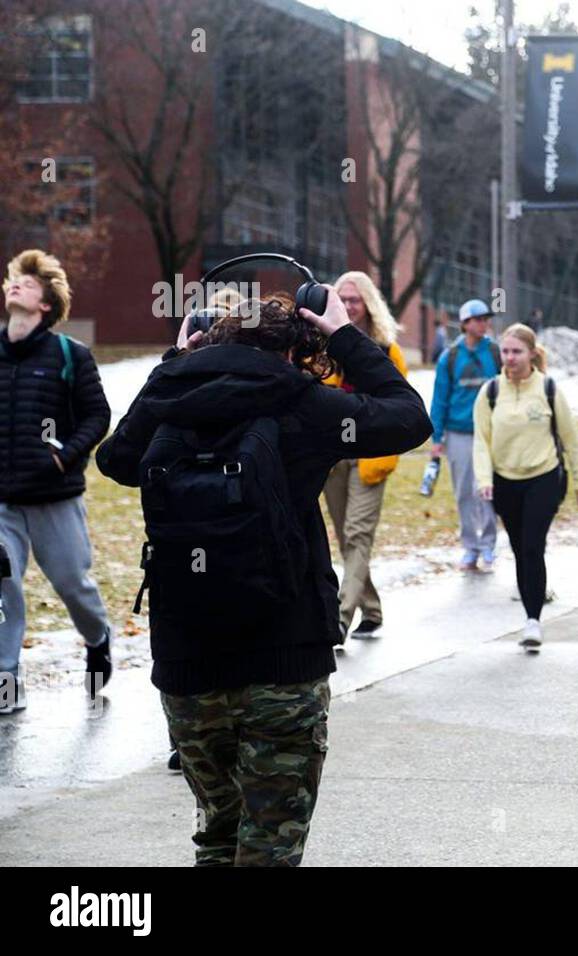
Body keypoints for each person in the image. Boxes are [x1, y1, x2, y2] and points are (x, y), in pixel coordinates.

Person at [96, 287, 430, 865]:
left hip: (187, 666)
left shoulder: (173, 393)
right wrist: (345, 335)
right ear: (299, 346)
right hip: (284, 662)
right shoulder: (305, 403)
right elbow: (408, 418)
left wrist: (176, 364)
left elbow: (116, 460)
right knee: (269, 847)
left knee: (218, 837)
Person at [0, 250, 112, 716]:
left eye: (26, 283)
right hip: (2, 501)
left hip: (54, 497)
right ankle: (6, 679)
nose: (14, 287)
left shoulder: (70, 355)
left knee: (71, 583)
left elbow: (97, 415)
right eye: (12, 281)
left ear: (46, 304)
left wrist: (66, 456)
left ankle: (98, 637)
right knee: (4, 588)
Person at [473, 323, 578, 652]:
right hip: (505, 481)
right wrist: (484, 479)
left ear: (532, 354)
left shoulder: (549, 389)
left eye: (516, 352)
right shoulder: (490, 393)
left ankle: (532, 621)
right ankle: (531, 613)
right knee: (520, 546)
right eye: (505, 352)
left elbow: (571, 438)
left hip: (543, 477)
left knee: (532, 546)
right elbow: (481, 441)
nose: (509, 358)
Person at [321, 271, 408, 642]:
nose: (349, 305)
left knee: (357, 534)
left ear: (368, 303)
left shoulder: (386, 348)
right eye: (343, 299)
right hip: (334, 454)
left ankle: (340, 617)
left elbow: (402, 405)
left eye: (355, 299)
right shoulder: (322, 343)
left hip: (370, 456)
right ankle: (371, 608)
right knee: (345, 536)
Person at [430, 299, 500, 572]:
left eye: (486, 318)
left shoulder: (495, 352)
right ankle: (470, 548)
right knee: (463, 493)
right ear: (466, 323)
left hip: (490, 433)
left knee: (487, 491)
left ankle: (489, 546)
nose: (485, 323)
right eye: (479, 319)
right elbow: (439, 399)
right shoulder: (450, 357)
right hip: (457, 433)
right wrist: (437, 439)